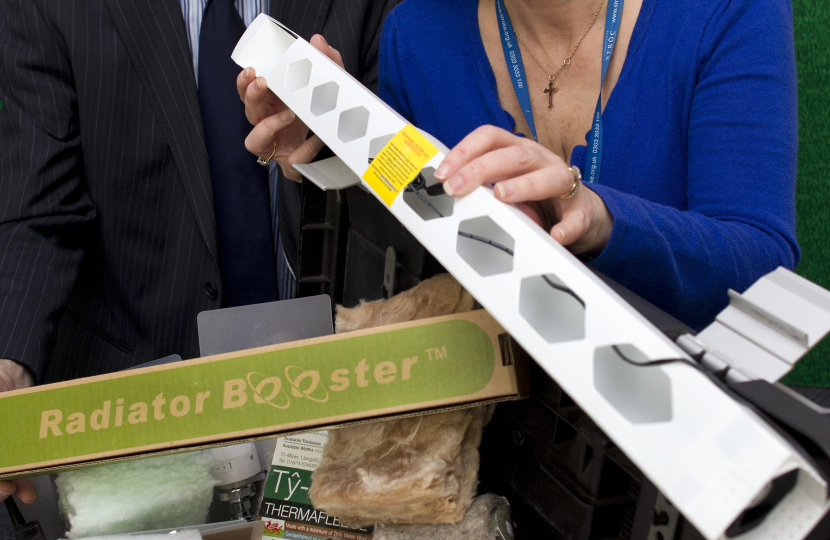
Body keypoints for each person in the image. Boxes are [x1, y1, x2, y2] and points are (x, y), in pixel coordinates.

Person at [0, 0, 397, 505]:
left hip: (342, 389)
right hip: (138, 404)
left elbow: (412, 185)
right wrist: (9, 359)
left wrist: (341, 132)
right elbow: (37, 207)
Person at [368, 0, 799, 329]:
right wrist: (335, 126)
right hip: (486, 396)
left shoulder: (725, 11)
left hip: (678, 399)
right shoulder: (413, 34)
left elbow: (761, 266)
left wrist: (603, 220)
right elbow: (396, 241)